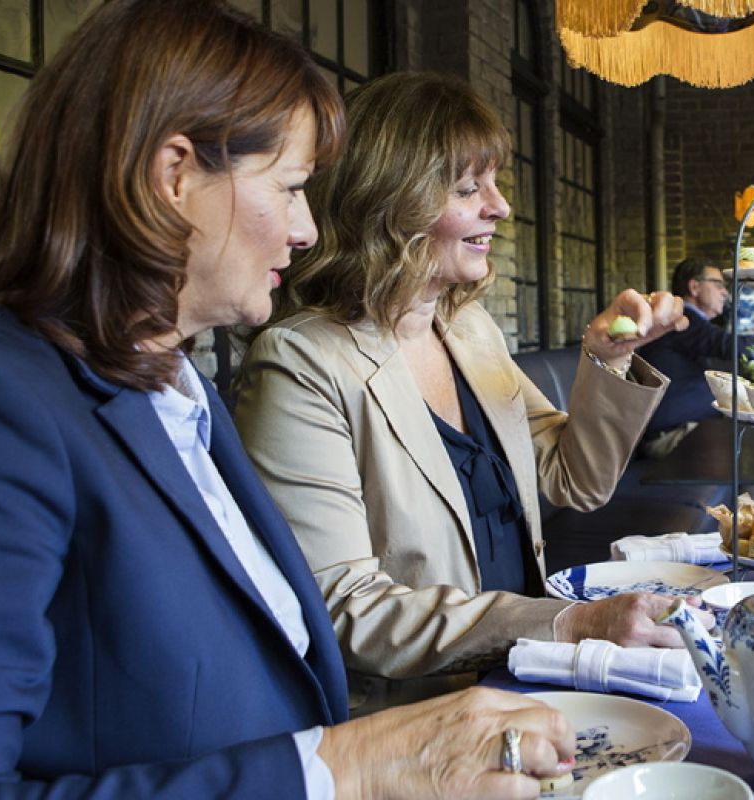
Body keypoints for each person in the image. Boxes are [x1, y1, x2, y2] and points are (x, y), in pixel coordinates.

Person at [0, 3, 575, 797]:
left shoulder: (177, 390)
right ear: (174, 178)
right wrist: (350, 769)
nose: (303, 230)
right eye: (291, 188)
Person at [235, 71, 711, 713]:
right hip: (423, 715)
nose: (501, 207)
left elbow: (576, 482)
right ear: (391, 203)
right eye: (468, 188)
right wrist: (564, 624)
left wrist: (607, 361)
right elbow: (345, 609)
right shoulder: (300, 361)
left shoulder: (467, 329)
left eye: (493, 182)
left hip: (528, 676)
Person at [636, 257, 754, 458]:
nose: (725, 292)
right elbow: (727, 345)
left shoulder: (691, 322)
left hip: (689, 428)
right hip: (673, 435)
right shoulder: (679, 321)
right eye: (718, 284)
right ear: (694, 287)